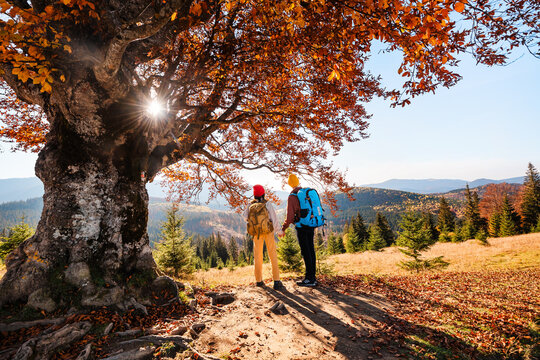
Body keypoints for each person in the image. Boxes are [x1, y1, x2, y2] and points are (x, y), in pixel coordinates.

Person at [279, 174, 317, 287]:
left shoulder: (292, 196)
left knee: (305, 251)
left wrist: (283, 228)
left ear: (289, 184)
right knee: (311, 250)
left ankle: (309, 279)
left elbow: (290, 217)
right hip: (311, 224)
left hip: (301, 227)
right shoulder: (306, 193)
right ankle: (312, 277)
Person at [244, 185, 284, 290]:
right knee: (272, 255)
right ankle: (276, 281)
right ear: (263, 193)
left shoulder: (250, 205)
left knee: (257, 256)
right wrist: (279, 231)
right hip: (268, 232)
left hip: (256, 234)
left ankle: (259, 281)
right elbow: (274, 219)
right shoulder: (267, 204)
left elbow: (245, 217)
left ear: (254, 194)